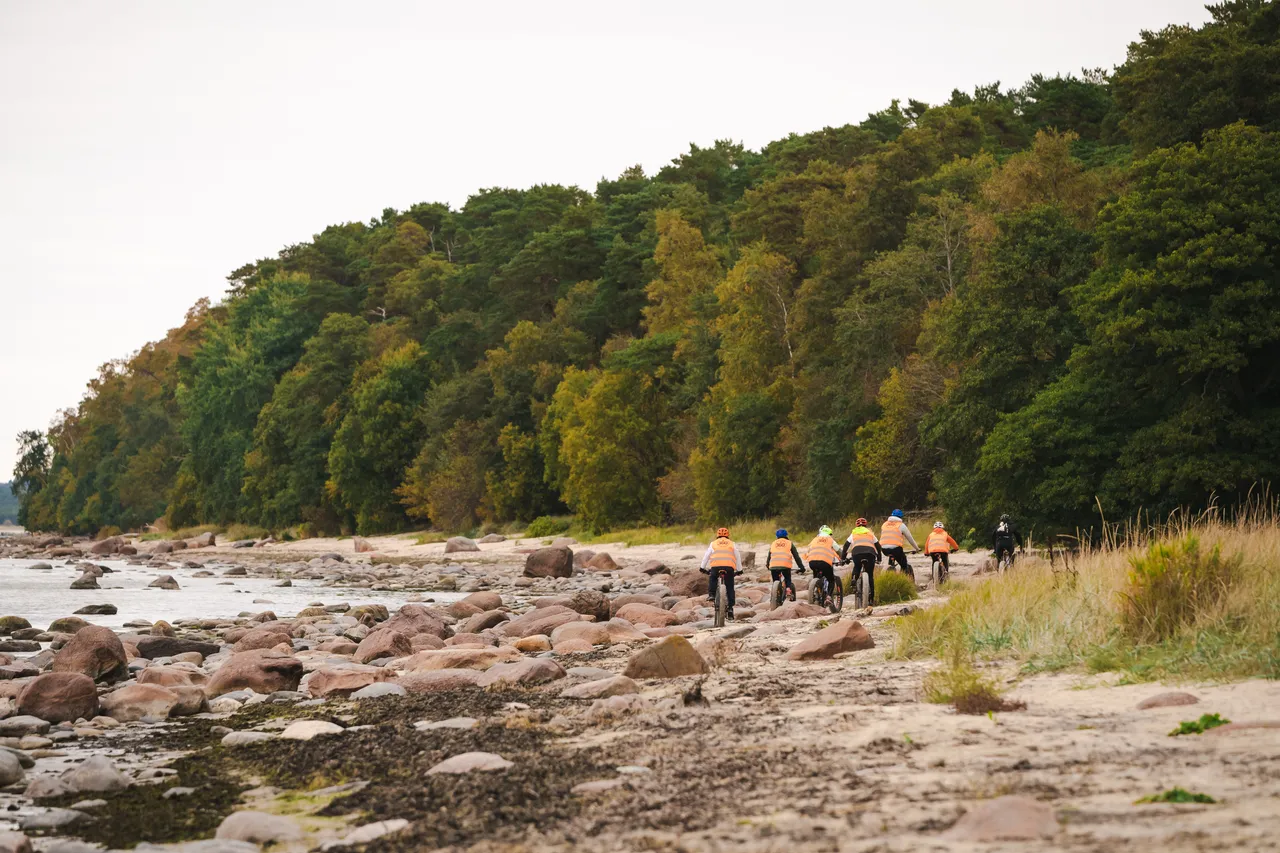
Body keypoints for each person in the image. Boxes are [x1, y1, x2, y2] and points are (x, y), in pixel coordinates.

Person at [700, 527, 743, 618]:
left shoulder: (713, 543)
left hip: (716, 567)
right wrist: (739, 570)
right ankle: (730, 607)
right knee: (730, 586)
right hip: (729, 568)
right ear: (728, 535)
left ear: (717, 535)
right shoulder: (732, 544)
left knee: (713, 577)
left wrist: (702, 568)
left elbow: (706, 556)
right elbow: (738, 557)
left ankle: (711, 594)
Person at [839, 517, 882, 603]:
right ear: (866, 525)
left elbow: (846, 546)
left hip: (857, 553)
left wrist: (843, 558)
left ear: (856, 526)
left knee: (857, 566)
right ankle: (871, 599)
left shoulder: (853, 533)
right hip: (870, 553)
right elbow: (878, 546)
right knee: (870, 575)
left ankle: (854, 579)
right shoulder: (870, 533)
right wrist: (879, 558)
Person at [767, 529, 806, 602]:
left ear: (776, 536)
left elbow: (769, 556)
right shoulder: (789, 543)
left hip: (773, 565)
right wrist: (801, 567)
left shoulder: (773, 543)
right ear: (786, 536)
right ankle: (788, 589)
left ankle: (774, 594)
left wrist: (767, 565)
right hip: (785, 565)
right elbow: (796, 557)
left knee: (775, 580)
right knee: (787, 578)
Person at [880, 509, 919, 578]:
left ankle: (890, 569)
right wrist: (917, 548)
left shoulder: (884, 524)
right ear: (900, 517)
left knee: (891, 557)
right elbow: (910, 538)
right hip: (896, 549)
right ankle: (905, 579)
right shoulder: (901, 525)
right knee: (904, 564)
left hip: (884, 549)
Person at [806, 525, 840, 602]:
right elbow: (838, 550)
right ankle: (828, 597)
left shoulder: (814, 540)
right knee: (831, 579)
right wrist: (843, 559)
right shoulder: (830, 540)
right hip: (825, 563)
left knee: (816, 575)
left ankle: (816, 589)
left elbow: (808, 550)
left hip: (812, 562)